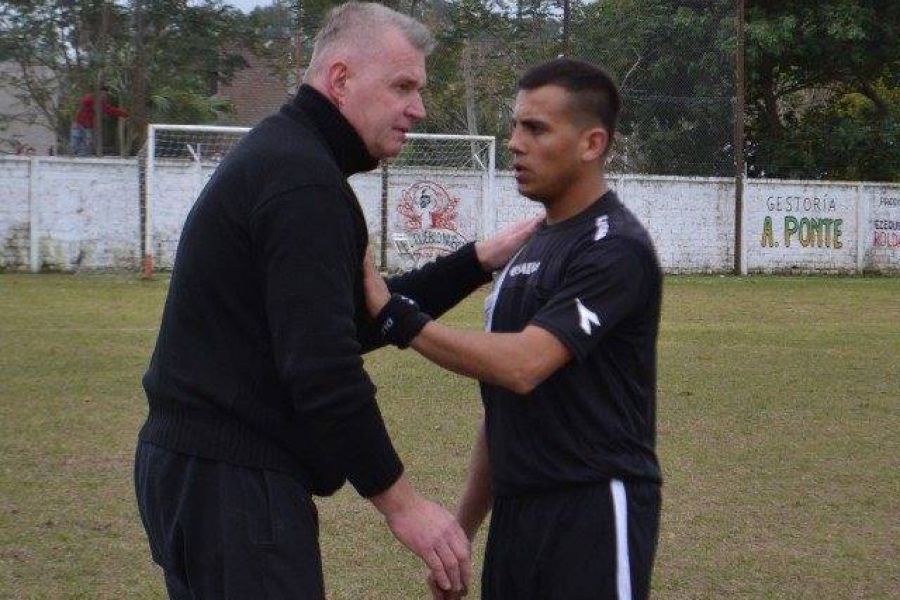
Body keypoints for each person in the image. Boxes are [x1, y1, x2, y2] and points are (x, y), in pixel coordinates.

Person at [134, 3, 536, 598]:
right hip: (233, 485)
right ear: (341, 79)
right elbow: (322, 366)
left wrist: (478, 259)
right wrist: (403, 505)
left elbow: (354, 318)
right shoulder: (302, 183)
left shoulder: (291, 160)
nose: (418, 109)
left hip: (200, 473)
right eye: (403, 86)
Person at [363, 58, 664, 600]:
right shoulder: (531, 246)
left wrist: (397, 316)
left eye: (536, 128)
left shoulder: (614, 247)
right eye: (515, 126)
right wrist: (464, 529)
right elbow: (503, 408)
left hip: (593, 510)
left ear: (591, 143)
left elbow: (523, 366)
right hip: (518, 517)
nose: (515, 143)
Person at [69, 86, 128, 157]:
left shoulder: (102, 103)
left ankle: (81, 158)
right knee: (75, 142)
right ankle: (72, 157)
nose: (103, 95)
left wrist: (124, 114)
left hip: (88, 126)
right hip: (79, 124)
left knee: (85, 145)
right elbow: (85, 101)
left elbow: (110, 110)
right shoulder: (90, 98)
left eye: (105, 94)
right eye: (102, 93)